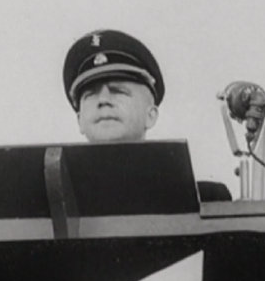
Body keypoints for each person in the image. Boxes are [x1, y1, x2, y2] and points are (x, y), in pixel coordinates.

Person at [63, 28, 231, 201]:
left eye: (118, 91)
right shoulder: (50, 204)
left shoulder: (206, 200)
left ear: (150, 115)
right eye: (90, 95)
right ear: (79, 120)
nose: (103, 100)